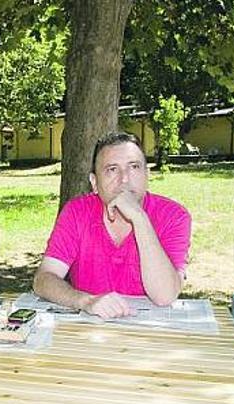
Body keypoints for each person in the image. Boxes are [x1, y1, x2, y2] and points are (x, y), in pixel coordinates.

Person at [32, 132, 191, 318]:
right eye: (112, 169)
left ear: (147, 174)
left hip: (151, 334)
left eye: (134, 166)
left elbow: (164, 296)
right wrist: (86, 301)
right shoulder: (77, 212)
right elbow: (43, 280)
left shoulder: (174, 216)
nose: (124, 179)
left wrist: (140, 219)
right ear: (94, 183)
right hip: (90, 329)